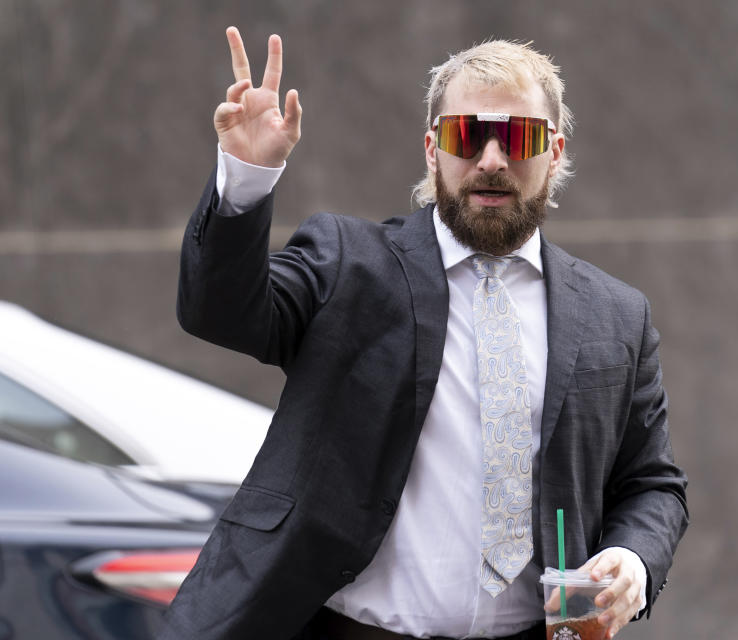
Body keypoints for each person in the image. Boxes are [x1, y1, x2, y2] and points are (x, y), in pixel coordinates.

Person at [159, 27, 688, 640]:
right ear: (433, 150)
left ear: (556, 152)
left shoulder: (616, 316)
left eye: (519, 138)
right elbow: (218, 312)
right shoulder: (347, 262)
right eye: (469, 136)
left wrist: (634, 561)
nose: (492, 159)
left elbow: (653, 485)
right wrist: (245, 178)